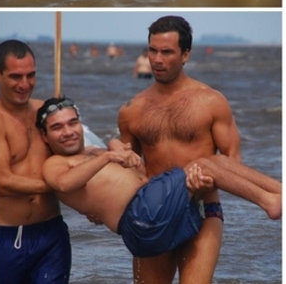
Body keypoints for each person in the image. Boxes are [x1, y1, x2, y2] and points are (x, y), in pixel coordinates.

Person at [39, 97, 280, 259]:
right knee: (205, 165)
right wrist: (108, 158)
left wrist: (122, 153)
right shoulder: (55, 163)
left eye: (73, 123)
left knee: (212, 162)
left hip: (152, 211)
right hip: (140, 218)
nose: (68, 132)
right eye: (57, 127)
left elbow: (136, 175)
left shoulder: (94, 152)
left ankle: (278, 190)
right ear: (44, 135)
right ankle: (270, 202)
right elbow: (64, 183)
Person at [118, 16, 241, 283]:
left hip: (203, 208)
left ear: (185, 54)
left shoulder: (211, 101)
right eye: (152, 50)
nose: (157, 59)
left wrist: (208, 179)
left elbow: (233, 160)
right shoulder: (131, 110)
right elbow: (127, 167)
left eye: (166, 52)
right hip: (155, 213)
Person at [0, 39, 71, 283]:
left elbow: (75, 157)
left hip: (51, 235)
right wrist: (59, 185)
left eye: (31, 75)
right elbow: (3, 183)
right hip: (7, 238)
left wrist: (92, 201)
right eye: (16, 77)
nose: (25, 84)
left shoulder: (47, 114)